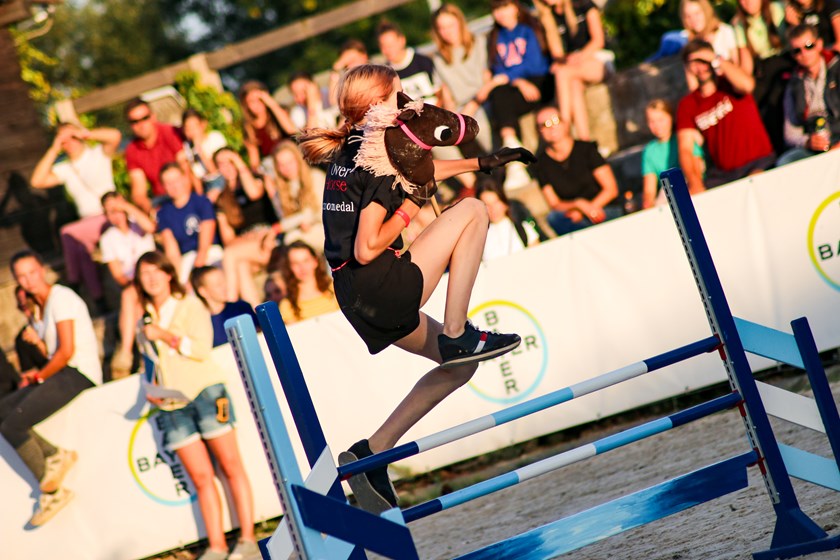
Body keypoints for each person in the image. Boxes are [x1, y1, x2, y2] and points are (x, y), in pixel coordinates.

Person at [297, 64, 530, 513]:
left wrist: (481, 163)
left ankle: (371, 454)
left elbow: (418, 169)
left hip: (355, 297)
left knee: (459, 368)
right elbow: (368, 246)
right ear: (376, 104)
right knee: (474, 210)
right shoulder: (377, 158)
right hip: (377, 281)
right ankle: (458, 331)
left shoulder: (357, 145)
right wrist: (409, 208)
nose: (404, 102)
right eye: (397, 95)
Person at [134, 251, 259, 560]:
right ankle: (216, 546)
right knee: (201, 477)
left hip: (206, 393)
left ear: (168, 274)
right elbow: (149, 363)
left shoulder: (190, 305)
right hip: (171, 404)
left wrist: (164, 335)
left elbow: (201, 350)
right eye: (144, 273)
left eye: (156, 271)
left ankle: (247, 538)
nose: (151, 278)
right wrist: (151, 387)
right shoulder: (143, 320)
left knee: (230, 465)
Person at [1, 250, 102, 527]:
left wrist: (39, 377)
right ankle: (55, 457)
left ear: (42, 270)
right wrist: (39, 352)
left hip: (79, 373)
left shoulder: (61, 298)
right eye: (22, 276)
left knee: (13, 425)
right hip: (62, 373)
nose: (29, 280)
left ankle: (53, 489)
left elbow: (67, 351)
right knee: (3, 411)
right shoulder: (41, 309)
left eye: (32, 272)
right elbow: (53, 353)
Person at [30, 122, 122, 311]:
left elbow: (115, 135)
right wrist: (54, 148)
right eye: (64, 140)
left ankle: (75, 282)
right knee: (80, 249)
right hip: (87, 225)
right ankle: (99, 301)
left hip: (109, 215)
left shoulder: (97, 154)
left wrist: (85, 133)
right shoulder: (65, 168)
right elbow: (37, 181)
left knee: (67, 233)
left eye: (72, 138)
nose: (70, 143)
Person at [676, 39, 776, 192]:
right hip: (725, 174)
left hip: (759, 162)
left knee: (757, 182)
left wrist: (715, 59)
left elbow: (747, 85)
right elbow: (685, 148)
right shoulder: (688, 104)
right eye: (694, 63)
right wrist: (695, 183)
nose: (700, 68)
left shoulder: (730, 83)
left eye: (703, 61)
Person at [485, 0, 553, 192]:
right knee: (498, 94)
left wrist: (513, 78)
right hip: (515, 87)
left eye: (504, 7)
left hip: (539, 82)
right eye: (496, 9)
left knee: (500, 95)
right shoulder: (495, 36)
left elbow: (535, 64)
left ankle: (513, 157)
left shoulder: (529, 29)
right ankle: (512, 150)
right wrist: (517, 81)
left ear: (515, 7)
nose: (501, 13)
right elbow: (497, 68)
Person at [530, 106, 620, 236]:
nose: (551, 127)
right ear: (538, 131)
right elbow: (554, 203)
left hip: (603, 208)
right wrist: (578, 205)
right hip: (573, 214)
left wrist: (587, 209)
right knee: (554, 218)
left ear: (565, 123)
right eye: (545, 124)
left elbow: (611, 189)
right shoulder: (541, 164)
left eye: (555, 120)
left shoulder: (586, 149)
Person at [99, 192, 157, 379]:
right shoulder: (108, 239)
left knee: (130, 297)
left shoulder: (138, 225)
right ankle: (142, 353)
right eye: (110, 212)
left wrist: (126, 206)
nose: (115, 215)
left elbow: (151, 227)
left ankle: (127, 352)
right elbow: (118, 274)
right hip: (134, 284)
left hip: (154, 275)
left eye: (116, 209)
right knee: (133, 300)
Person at [536, 0, 612, 141]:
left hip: (596, 59)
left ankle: (564, 127)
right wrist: (566, 61)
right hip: (572, 69)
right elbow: (557, 54)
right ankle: (584, 141)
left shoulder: (584, 5)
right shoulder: (547, 17)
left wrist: (578, 58)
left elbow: (598, 41)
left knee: (562, 73)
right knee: (574, 85)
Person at [213, 147, 279, 307]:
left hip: (270, 239)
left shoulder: (257, 180)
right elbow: (228, 240)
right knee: (240, 266)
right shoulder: (222, 199)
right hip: (247, 248)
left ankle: (230, 306)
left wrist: (240, 165)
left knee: (230, 255)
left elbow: (253, 193)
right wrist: (248, 238)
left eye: (230, 161)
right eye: (221, 164)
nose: (227, 167)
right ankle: (256, 314)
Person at [431, 3, 494, 152]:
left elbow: (488, 79)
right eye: (442, 28)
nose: (447, 32)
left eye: (451, 25)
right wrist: (452, 117)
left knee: (482, 124)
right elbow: (446, 94)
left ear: (460, 23)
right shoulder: (439, 58)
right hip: (460, 109)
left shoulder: (479, 43)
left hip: (483, 100)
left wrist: (473, 105)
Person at [732, 0, 792, 154]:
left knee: (778, 96)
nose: (747, 3)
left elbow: (791, 38)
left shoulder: (776, 9)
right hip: (762, 69)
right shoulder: (740, 24)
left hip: (784, 60)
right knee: (757, 101)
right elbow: (746, 63)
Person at [777, 24, 840, 165]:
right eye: (797, 51)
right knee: (785, 162)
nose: (804, 53)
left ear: (819, 44)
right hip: (814, 147)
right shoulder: (793, 85)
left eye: (809, 46)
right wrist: (807, 141)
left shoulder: (837, 70)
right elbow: (790, 133)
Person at [156, 163, 224, 285]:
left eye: (176, 180)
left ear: (184, 178)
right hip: (186, 258)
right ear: (163, 186)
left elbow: (205, 242)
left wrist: (195, 273)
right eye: (168, 183)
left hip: (210, 252)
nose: (174, 186)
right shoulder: (163, 213)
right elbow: (172, 251)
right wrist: (178, 277)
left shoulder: (201, 201)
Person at [124, 98, 196, 213]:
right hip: (162, 200)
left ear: (153, 117)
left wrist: (183, 205)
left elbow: (186, 171)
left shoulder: (170, 132)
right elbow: (139, 192)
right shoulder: (132, 150)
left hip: (186, 193)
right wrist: (150, 211)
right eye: (135, 121)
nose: (141, 125)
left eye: (145, 118)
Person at [641, 99, 705, 208]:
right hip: (668, 194)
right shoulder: (649, 151)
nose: (657, 125)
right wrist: (648, 204)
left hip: (693, 188)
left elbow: (697, 169)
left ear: (671, 117)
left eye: (661, 120)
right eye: (652, 121)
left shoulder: (684, 138)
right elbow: (649, 191)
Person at [271, 140, 325, 249]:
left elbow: (320, 213)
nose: (287, 168)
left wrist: (282, 226)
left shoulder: (315, 177)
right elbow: (284, 218)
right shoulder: (279, 192)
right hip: (299, 232)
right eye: (282, 164)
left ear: (298, 160)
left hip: (323, 229)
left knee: (290, 239)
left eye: (290, 162)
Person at [475, 177, 543, 261]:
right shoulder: (479, 239)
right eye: (486, 205)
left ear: (504, 203)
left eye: (496, 202)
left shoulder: (524, 229)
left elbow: (538, 260)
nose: (493, 209)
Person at [190, 266, 258, 347]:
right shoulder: (200, 324)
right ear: (203, 292)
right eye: (218, 285)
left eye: (224, 281)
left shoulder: (242, 308)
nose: (225, 287)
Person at [238, 81, 297, 174]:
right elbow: (254, 160)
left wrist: (272, 104)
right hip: (271, 165)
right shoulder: (248, 127)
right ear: (246, 105)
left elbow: (291, 129)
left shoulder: (277, 114)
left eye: (260, 100)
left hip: (290, 156)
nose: (257, 104)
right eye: (252, 101)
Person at [680, 0, 741, 90]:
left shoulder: (724, 32)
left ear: (706, 11)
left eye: (697, 13)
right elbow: (693, 85)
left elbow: (736, 67)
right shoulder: (688, 43)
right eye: (688, 16)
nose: (693, 20)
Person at [277, 241, 339, 324]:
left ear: (315, 261)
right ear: (289, 267)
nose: (302, 268)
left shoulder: (335, 288)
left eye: (306, 261)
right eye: (295, 263)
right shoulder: (287, 305)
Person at [181, 108, 228, 194]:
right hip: (204, 185)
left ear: (203, 125)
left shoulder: (215, 138)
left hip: (221, 179)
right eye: (187, 129)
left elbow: (214, 171)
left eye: (194, 127)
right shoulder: (187, 146)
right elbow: (195, 177)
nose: (191, 132)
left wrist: (199, 150)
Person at [328, 39, 370, 107]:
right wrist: (336, 69)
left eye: (353, 60)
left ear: (364, 55)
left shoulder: (379, 72)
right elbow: (334, 102)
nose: (350, 66)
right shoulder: (347, 81)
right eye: (346, 63)